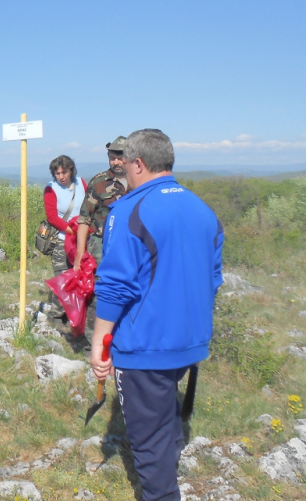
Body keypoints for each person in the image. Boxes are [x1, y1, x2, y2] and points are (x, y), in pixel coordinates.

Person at [90, 129, 223, 501]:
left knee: (147, 443)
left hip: (145, 344)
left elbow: (116, 284)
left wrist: (100, 343)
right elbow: (212, 279)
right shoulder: (203, 210)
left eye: (127, 167)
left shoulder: (129, 209)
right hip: (190, 341)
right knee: (165, 409)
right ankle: (171, 454)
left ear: (138, 163)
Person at [71, 136, 128, 347]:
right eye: (113, 157)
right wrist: (79, 253)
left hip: (129, 247)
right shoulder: (99, 182)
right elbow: (85, 218)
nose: (117, 162)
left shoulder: (140, 181)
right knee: (97, 292)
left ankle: (120, 339)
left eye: (121, 157)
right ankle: (92, 343)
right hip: (100, 246)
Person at [41, 155, 87, 316]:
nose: (61, 176)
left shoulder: (81, 183)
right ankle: (57, 315)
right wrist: (73, 231)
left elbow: (89, 207)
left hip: (82, 241)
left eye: (64, 172)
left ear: (71, 171)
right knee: (62, 278)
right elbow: (52, 217)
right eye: (57, 173)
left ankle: (77, 314)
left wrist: (83, 232)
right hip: (61, 241)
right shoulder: (51, 188)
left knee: (80, 276)